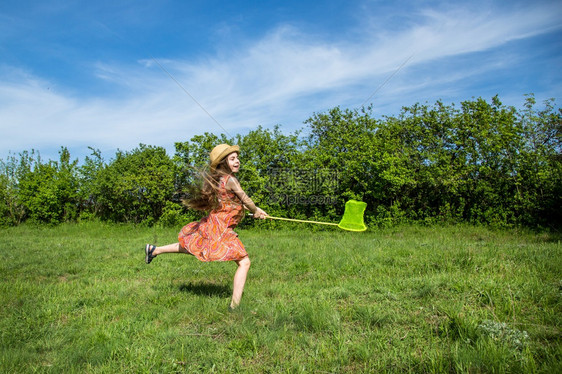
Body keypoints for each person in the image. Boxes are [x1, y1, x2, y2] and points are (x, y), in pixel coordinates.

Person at [144, 143, 267, 310]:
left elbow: (232, 203)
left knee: (194, 246)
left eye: (237, 158)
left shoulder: (220, 180)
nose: (237, 161)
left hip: (214, 224)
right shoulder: (230, 180)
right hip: (221, 228)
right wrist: (254, 209)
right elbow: (246, 199)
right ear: (223, 162)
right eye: (232, 159)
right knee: (244, 262)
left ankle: (155, 250)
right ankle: (234, 307)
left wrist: (256, 210)